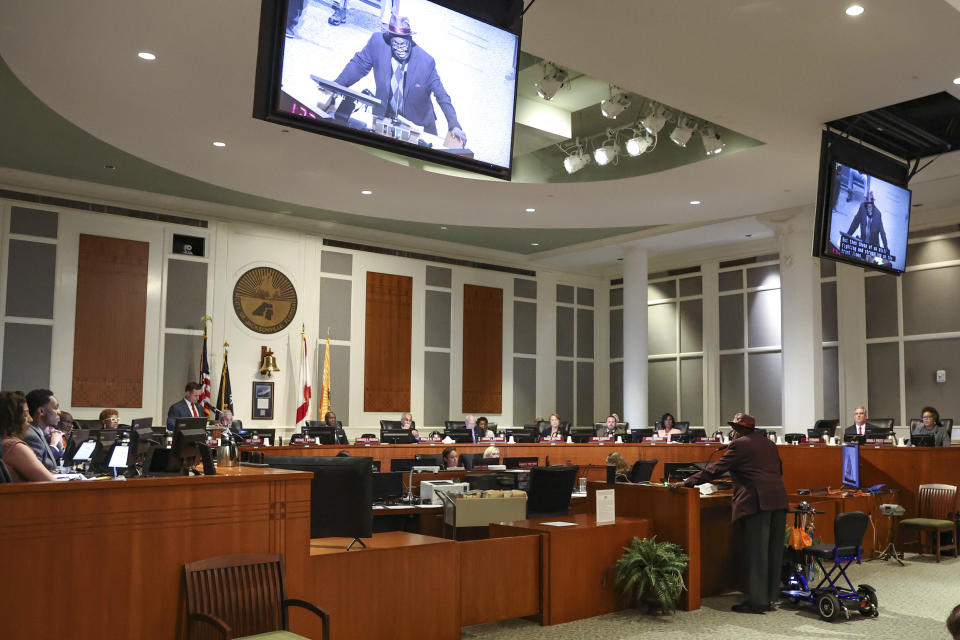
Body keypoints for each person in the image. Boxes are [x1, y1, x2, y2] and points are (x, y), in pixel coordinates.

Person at [677, 413, 788, 614]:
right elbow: (778, 470)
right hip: (778, 500)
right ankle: (771, 596)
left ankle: (757, 601)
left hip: (757, 503)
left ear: (740, 430)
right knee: (773, 551)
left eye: (735, 428)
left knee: (757, 552)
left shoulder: (740, 445)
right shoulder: (769, 444)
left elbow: (715, 469)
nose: (733, 432)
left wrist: (687, 482)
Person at [333, 15, 467, 142]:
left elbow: (441, 95)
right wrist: (337, 85)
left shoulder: (426, 62)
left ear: (410, 39)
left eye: (403, 45)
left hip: (418, 125)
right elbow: (358, 65)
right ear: (389, 40)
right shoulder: (377, 43)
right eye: (396, 45)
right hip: (384, 117)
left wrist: (454, 124)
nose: (400, 50)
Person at [1, 391, 56, 482]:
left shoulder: (3, 443)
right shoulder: (14, 447)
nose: (30, 419)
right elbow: (53, 484)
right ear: (12, 418)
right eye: (25, 415)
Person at [25, 388, 59, 471]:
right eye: (55, 408)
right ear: (41, 411)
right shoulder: (31, 436)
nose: (59, 412)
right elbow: (35, 474)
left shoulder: (38, 432)